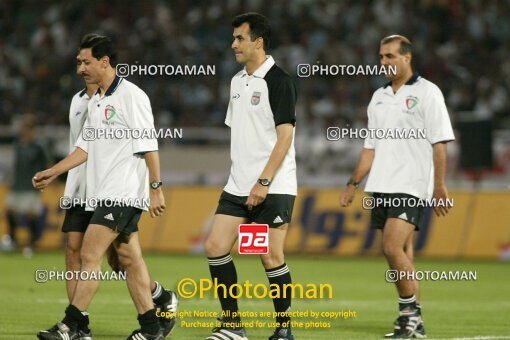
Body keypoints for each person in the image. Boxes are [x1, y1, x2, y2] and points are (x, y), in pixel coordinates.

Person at [34, 34, 172, 340]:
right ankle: (151, 327)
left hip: (122, 193)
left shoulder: (132, 96)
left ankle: (72, 325)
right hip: (101, 194)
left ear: (104, 62)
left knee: (90, 253)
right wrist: (53, 171)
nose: (81, 68)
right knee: (127, 259)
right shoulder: (97, 101)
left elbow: (149, 144)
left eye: (86, 62)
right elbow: (84, 149)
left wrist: (156, 187)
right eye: (79, 62)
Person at [339, 35, 455, 338]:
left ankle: (409, 313)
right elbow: (370, 148)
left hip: (412, 185)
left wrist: (439, 187)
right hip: (381, 185)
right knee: (403, 252)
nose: (384, 62)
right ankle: (412, 321)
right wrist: (353, 182)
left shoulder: (428, 92)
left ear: (407, 58)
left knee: (390, 246)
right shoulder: (378, 96)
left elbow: (439, 143)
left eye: (390, 56)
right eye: (381, 57)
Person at [204, 13, 297, 340]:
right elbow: (244, 134)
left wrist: (264, 181)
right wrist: (245, 180)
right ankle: (233, 325)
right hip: (239, 186)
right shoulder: (237, 81)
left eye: (240, 38)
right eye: (233, 38)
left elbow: (285, 137)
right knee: (215, 246)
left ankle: (284, 329)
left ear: (258, 41)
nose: (233, 44)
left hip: (272, 186)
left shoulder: (280, 80)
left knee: (269, 256)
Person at [3, 114, 48, 257]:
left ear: (32, 130)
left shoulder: (38, 146)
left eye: (27, 128)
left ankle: (31, 244)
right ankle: (13, 240)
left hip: (31, 187)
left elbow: (46, 164)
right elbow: (15, 165)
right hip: (17, 186)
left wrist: (43, 182)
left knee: (31, 216)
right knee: (10, 212)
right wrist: (10, 180)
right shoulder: (18, 145)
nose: (24, 131)